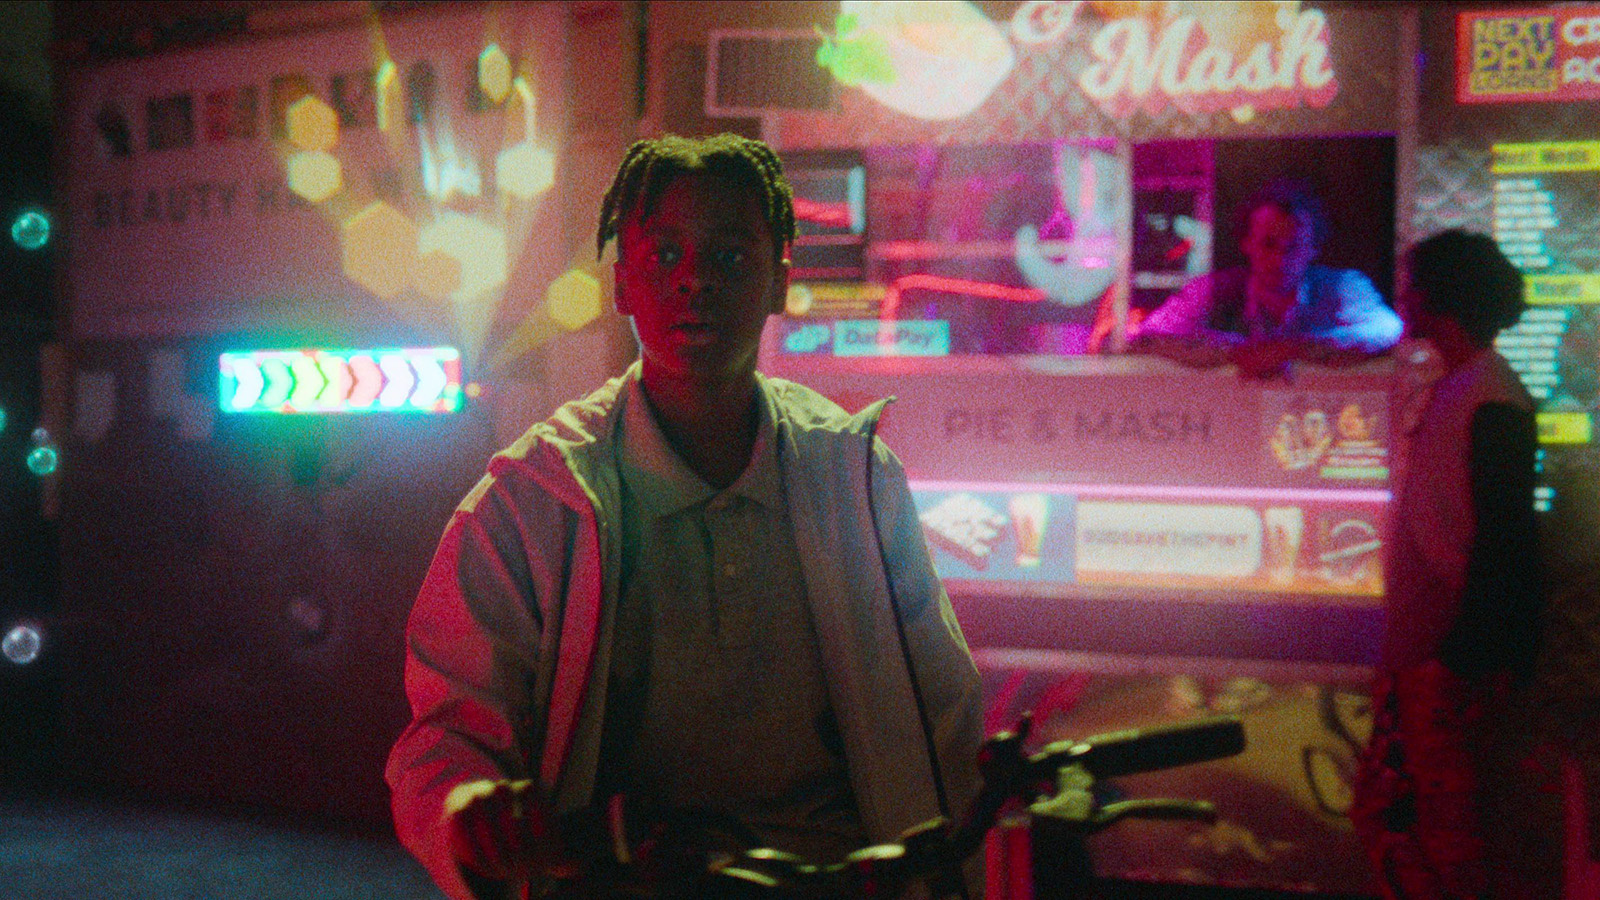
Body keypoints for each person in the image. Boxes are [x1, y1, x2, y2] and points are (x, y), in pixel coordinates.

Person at [385, 133, 984, 900]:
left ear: (779, 282)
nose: (695, 279)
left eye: (730, 256)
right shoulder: (537, 500)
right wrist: (468, 808)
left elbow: (943, 719)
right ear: (621, 284)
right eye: (664, 254)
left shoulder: (854, 479)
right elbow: (447, 734)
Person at [1349, 230, 1554, 899]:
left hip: (1446, 657)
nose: (1403, 299)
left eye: (1413, 286)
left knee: (1441, 836)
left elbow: (1504, 540)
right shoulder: (1464, 388)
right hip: (1427, 652)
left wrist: (1463, 656)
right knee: (1399, 819)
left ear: (1442, 298)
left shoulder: (1489, 399)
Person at [1131, 179, 1403, 378]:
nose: (1280, 259)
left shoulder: (1343, 287)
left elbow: (1389, 330)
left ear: (1314, 248)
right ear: (1246, 243)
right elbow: (1151, 334)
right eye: (1268, 244)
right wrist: (1236, 352)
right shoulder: (1213, 289)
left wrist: (1292, 349)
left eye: (1294, 246)